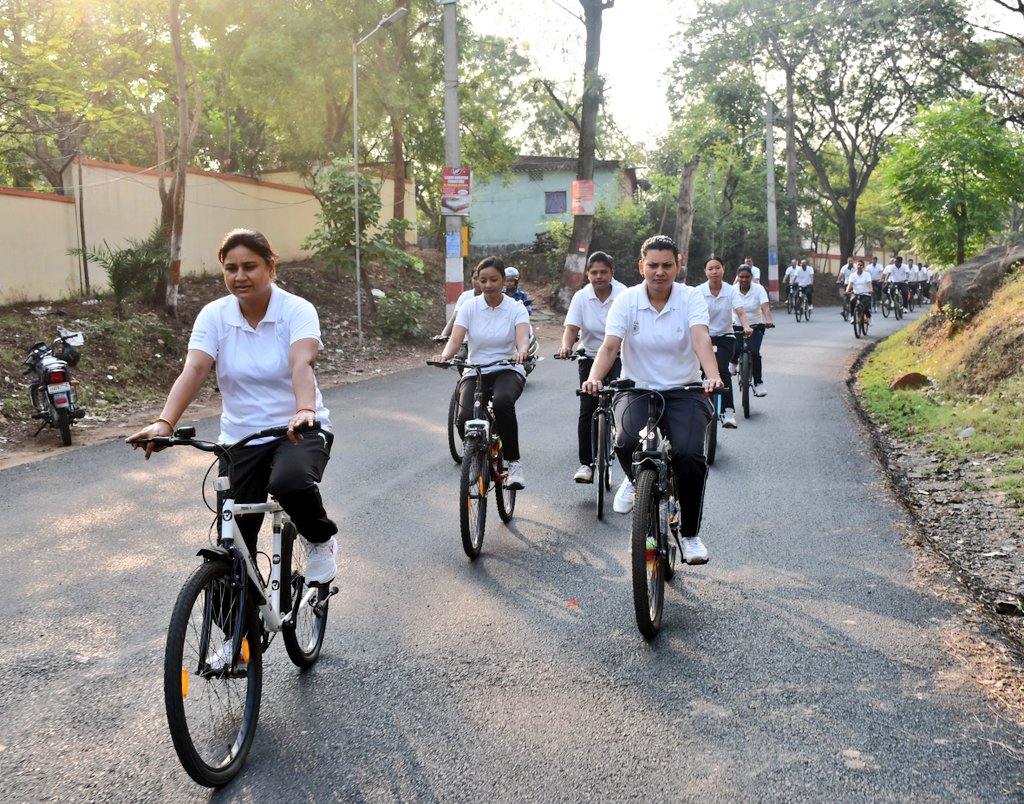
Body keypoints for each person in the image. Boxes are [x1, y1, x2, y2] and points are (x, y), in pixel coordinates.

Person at [127, 228, 338, 585]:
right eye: (231, 268)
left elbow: (301, 362)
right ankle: (235, 636)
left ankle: (320, 540)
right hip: (240, 439)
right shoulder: (215, 316)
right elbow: (194, 369)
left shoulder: (296, 310)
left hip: (297, 431)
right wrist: (165, 422)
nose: (239, 276)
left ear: (271, 267)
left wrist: (305, 410)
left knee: (289, 484)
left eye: (250, 266)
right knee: (233, 545)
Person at [582, 235, 724, 565]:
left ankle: (689, 535)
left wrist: (712, 374)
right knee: (626, 440)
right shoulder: (626, 300)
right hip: (637, 389)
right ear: (641, 266)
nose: (659, 272)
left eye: (667, 265)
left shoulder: (691, 298)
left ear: (678, 266)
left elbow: (701, 338)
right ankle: (635, 482)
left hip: (684, 391)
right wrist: (594, 377)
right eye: (653, 265)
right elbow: (609, 345)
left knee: (689, 455)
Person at [434, 256, 530, 489]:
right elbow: (456, 340)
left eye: (494, 280)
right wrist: (445, 356)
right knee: (463, 420)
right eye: (483, 280)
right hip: (475, 369)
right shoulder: (469, 307)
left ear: (504, 280)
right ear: (477, 281)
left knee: (502, 403)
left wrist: (521, 352)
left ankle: (513, 464)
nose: (488, 285)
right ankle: (477, 453)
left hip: (507, 368)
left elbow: (523, 338)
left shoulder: (515, 308)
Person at [559, 251, 626, 483]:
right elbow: (571, 328)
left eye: (603, 272)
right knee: (587, 409)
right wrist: (567, 346)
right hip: (589, 357)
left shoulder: (624, 294)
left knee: (622, 403)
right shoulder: (581, 297)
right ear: (588, 274)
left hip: (620, 357)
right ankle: (586, 464)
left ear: (612, 273)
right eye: (594, 272)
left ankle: (623, 444)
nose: (599, 277)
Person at [698, 257, 751, 429]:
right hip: (703, 336)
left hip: (725, 337)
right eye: (710, 268)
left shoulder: (730, 290)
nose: (714, 271)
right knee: (697, 371)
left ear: (723, 269)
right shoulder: (698, 291)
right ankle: (696, 408)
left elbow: (740, 311)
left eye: (717, 268)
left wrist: (746, 326)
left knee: (721, 368)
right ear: (705, 271)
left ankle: (728, 411)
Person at [732, 264, 774, 396]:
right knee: (736, 348)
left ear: (752, 277)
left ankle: (758, 384)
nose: (744, 280)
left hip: (756, 326)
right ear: (737, 277)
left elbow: (765, 307)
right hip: (736, 325)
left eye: (747, 277)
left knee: (754, 352)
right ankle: (733, 362)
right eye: (741, 277)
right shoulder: (731, 290)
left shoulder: (758, 289)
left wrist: (768, 320)